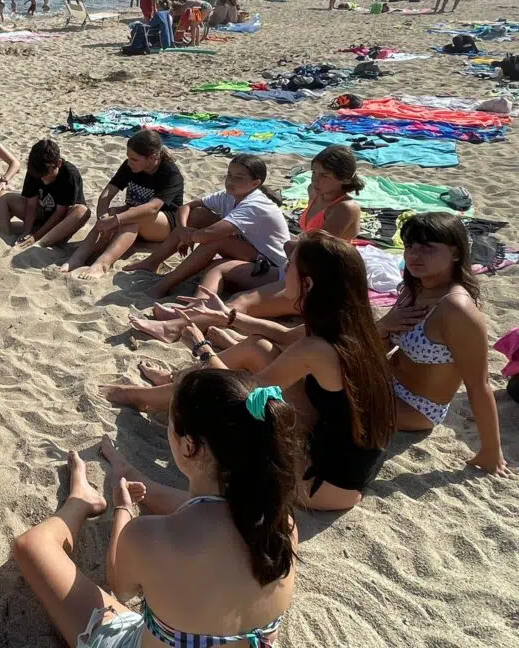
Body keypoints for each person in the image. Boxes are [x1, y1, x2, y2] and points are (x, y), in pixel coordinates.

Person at [14, 369, 298, 648]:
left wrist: (123, 510)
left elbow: (120, 587)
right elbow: (215, 520)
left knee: (32, 547)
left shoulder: (152, 537)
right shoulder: (280, 523)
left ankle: (81, 501)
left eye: (170, 426)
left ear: (189, 446)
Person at [114, 232, 396, 512]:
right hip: (342, 462)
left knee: (229, 404)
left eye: (289, 267)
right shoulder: (354, 323)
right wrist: (229, 317)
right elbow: (285, 336)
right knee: (257, 348)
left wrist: (201, 346)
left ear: (307, 283)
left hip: (321, 484)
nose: (283, 272)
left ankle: (152, 399)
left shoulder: (316, 349)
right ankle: (161, 391)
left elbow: (241, 392)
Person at [378, 213, 507, 475]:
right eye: (410, 246)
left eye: (427, 247)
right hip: (385, 382)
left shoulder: (457, 309)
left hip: (417, 408)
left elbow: (479, 384)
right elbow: (381, 347)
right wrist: (383, 325)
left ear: (456, 253)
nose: (414, 255)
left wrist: (491, 451)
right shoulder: (414, 289)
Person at [125, 155, 288, 305]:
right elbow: (187, 207)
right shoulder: (230, 195)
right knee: (198, 215)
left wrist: (190, 237)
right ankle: (151, 263)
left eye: (238, 177)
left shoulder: (255, 204)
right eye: (229, 175)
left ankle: (164, 286)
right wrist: (183, 230)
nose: (231, 181)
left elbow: (209, 234)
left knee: (215, 240)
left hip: (269, 265)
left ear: (255, 183)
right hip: (248, 250)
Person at [226, 145, 363, 319]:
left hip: (321, 279)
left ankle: (194, 326)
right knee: (222, 272)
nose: (315, 180)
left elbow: (318, 250)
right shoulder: (314, 193)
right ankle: (188, 318)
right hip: (299, 268)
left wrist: (290, 245)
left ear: (343, 178)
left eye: (324, 176)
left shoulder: (346, 208)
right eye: (314, 173)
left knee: (240, 302)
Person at [61, 130, 183, 281]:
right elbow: (106, 194)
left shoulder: (170, 174)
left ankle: (102, 264)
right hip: (135, 214)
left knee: (132, 217)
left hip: (165, 224)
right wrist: (103, 217)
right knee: (112, 213)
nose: (129, 162)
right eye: (128, 157)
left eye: (134, 159)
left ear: (153, 157)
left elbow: (153, 208)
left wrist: (116, 220)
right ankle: (78, 257)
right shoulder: (130, 166)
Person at [0, 139, 91, 248]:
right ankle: (3, 239)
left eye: (46, 174)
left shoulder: (70, 174)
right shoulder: (35, 169)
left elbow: (60, 213)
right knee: (1, 196)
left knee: (82, 211)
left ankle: (43, 243)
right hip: (41, 214)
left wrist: (36, 237)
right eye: (40, 176)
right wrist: (26, 231)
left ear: (58, 163)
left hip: (61, 222)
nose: (43, 179)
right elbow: (31, 205)